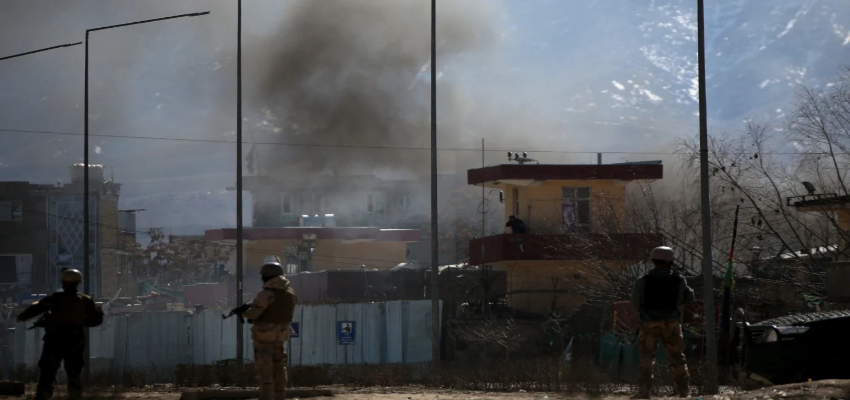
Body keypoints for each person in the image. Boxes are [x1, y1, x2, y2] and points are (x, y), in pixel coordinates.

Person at [17, 269, 104, 400]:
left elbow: (37, 308)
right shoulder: (85, 300)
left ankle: (43, 396)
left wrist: (23, 316)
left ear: (63, 282)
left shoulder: (56, 298)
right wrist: (80, 322)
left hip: (54, 339)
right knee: (74, 373)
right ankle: (75, 396)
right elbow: (96, 319)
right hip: (75, 340)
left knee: (48, 371)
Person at [630, 246, 695, 399]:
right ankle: (683, 392)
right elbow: (690, 298)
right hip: (671, 322)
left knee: (647, 358)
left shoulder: (642, 281)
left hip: (649, 322)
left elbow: (635, 303)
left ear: (653, 260)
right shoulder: (679, 279)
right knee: (677, 357)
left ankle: (644, 392)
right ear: (670, 261)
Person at [243, 262, 298, 400]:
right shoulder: (290, 293)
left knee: (264, 365)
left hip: (265, 334)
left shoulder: (266, 294)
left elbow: (253, 314)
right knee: (279, 364)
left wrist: (244, 312)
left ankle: (266, 396)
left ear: (267, 277)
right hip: (282, 333)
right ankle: (280, 395)